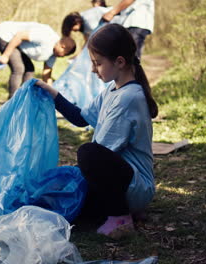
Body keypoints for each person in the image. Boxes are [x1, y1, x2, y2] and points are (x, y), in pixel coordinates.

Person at [36, 23, 158, 238]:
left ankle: (121, 218)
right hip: (120, 180)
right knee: (58, 201)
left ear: (119, 62)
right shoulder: (112, 89)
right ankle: (119, 209)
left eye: (98, 63)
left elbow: (100, 153)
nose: (93, 70)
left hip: (135, 186)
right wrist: (52, 94)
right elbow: (81, 118)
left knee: (88, 154)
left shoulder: (129, 98)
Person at [0, 21, 76, 99]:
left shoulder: (54, 53)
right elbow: (20, 35)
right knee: (19, 68)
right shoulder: (46, 36)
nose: (62, 57)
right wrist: (6, 55)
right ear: (63, 47)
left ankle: (23, 100)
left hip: (17, 44)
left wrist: (52, 93)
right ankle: (11, 102)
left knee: (29, 69)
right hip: (5, 35)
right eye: (64, 55)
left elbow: (46, 74)